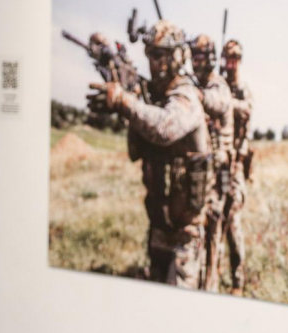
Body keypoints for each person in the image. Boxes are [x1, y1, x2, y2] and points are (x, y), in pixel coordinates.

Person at [88, 20, 212, 288]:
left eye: (158, 55)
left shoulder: (186, 95)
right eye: (149, 55)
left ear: (177, 57)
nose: (152, 63)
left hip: (185, 232)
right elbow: (137, 144)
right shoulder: (154, 95)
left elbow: (164, 127)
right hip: (159, 226)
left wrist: (124, 102)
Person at [190, 33, 237, 292]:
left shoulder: (218, 86)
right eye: (193, 57)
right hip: (202, 179)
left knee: (213, 240)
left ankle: (211, 289)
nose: (196, 62)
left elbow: (214, 102)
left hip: (219, 177)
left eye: (200, 57)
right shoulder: (196, 84)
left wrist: (192, 94)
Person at [220, 39, 254, 294]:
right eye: (227, 59)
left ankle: (238, 280)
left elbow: (245, 111)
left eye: (234, 59)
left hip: (235, 167)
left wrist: (221, 100)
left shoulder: (242, 89)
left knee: (233, 222)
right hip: (218, 165)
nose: (230, 64)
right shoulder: (219, 84)